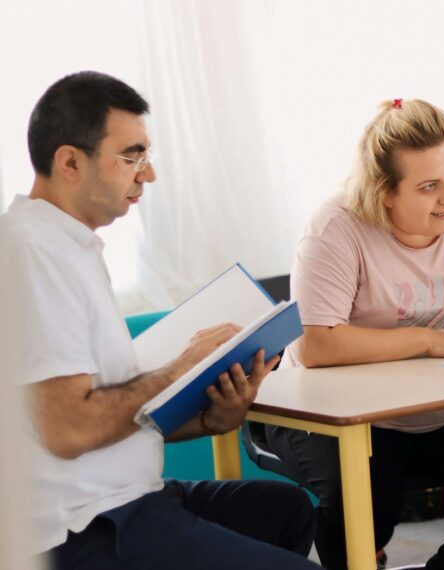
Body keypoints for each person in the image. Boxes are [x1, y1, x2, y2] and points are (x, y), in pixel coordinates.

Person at [0, 71, 319, 570]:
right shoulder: (29, 253)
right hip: (84, 525)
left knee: (287, 511)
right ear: (69, 162)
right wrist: (178, 369)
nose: (146, 175)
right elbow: (69, 429)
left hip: (132, 495)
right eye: (132, 157)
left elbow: (106, 412)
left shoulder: (70, 246)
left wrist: (209, 419)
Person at [264, 98, 444, 569]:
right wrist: (429, 340)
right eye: (429, 186)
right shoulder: (335, 226)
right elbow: (318, 345)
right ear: (384, 192)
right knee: (368, 496)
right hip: (339, 415)